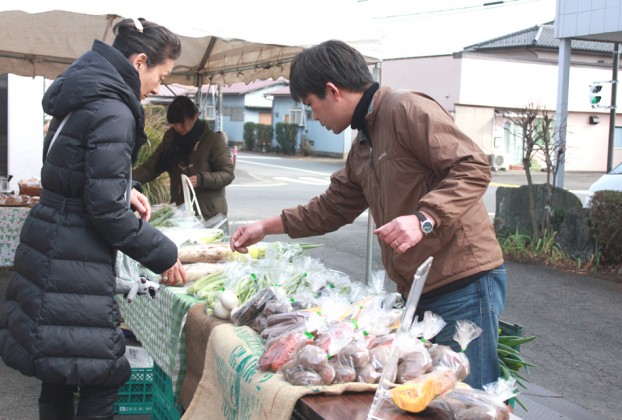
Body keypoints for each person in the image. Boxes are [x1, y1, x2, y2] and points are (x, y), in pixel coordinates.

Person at [230, 40, 506, 390]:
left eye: (311, 105)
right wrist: (265, 227)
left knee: (470, 397)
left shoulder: (405, 108)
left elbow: (473, 166)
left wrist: (424, 219)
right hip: (417, 288)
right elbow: (332, 207)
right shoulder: (363, 141)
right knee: (432, 396)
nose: (314, 116)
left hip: (463, 281)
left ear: (332, 91)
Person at [0, 18, 187, 420]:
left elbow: (76, 172)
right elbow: (105, 211)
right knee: (103, 377)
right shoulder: (114, 109)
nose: (158, 87)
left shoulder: (85, 94)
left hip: (52, 243)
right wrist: (164, 252)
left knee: (59, 374)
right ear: (140, 62)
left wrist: (125, 186)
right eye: (161, 75)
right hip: (73, 257)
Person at [133, 96, 234, 223]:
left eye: (181, 122)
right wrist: (126, 182)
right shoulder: (170, 139)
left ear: (195, 117)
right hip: (180, 213)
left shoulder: (213, 141)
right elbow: (150, 168)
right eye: (174, 123)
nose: (177, 127)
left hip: (209, 215)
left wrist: (201, 179)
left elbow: (227, 174)